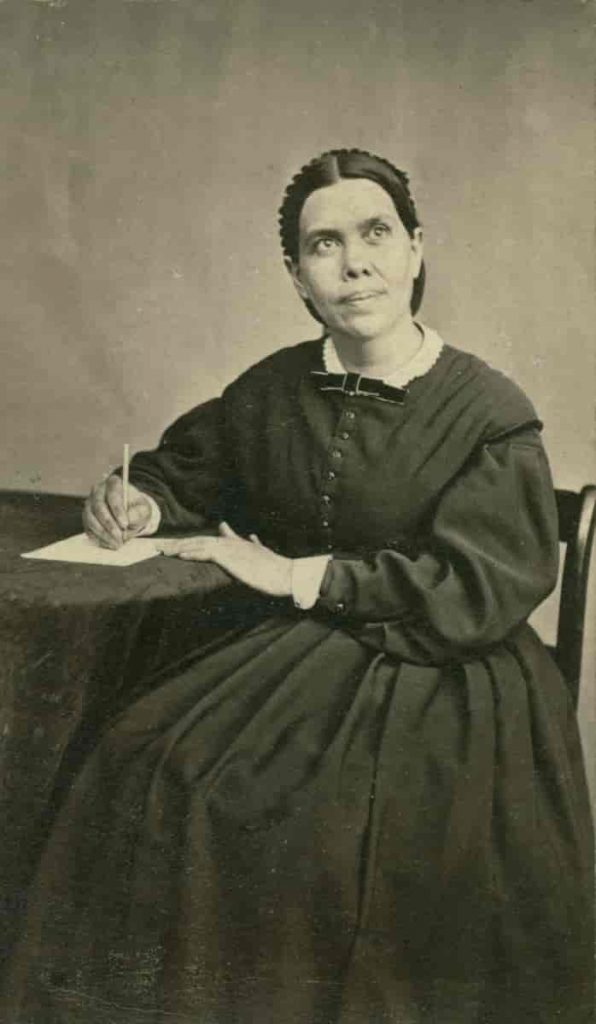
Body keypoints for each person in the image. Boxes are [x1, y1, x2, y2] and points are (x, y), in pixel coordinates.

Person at [2, 149, 593, 1024]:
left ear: (417, 250)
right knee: (143, 757)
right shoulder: (272, 388)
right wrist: (136, 498)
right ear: (296, 276)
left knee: (298, 823)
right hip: (290, 657)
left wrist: (289, 573)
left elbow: (473, 586)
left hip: (449, 674)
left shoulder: (487, 411)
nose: (354, 263)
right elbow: (186, 474)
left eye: (376, 234)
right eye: (324, 245)